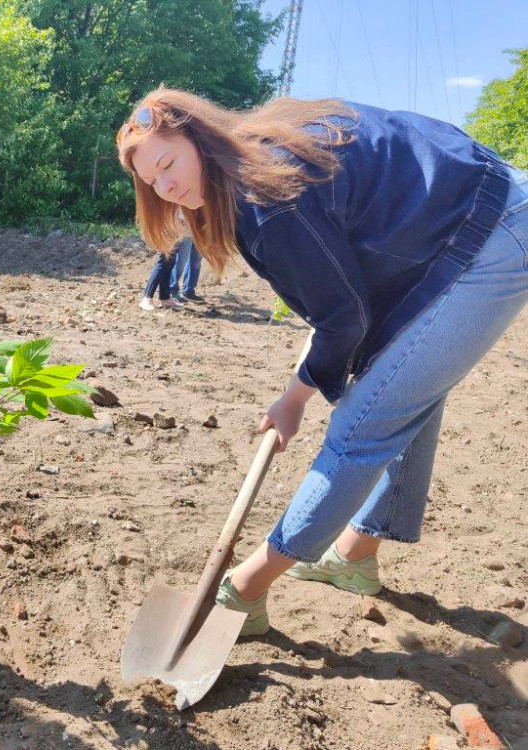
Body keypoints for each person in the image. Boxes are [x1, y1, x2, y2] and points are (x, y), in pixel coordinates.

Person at [116, 87, 528, 636]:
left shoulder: (264, 198)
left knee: (364, 421)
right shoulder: (259, 153)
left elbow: (344, 318)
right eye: (151, 181)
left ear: (200, 139)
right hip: (469, 216)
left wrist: (295, 398)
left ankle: (243, 590)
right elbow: (340, 302)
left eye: (168, 164)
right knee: (401, 385)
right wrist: (306, 377)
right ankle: (354, 557)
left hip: (493, 231)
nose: (165, 186)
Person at [139, 241, 183, 311]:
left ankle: (165, 298)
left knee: (170, 261)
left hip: (175, 232)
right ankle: (147, 298)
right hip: (167, 232)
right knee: (163, 261)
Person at [169, 236, 203, 303]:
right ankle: (172, 291)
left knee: (196, 261)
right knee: (181, 261)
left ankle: (188, 291)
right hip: (186, 230)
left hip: (200, 231)